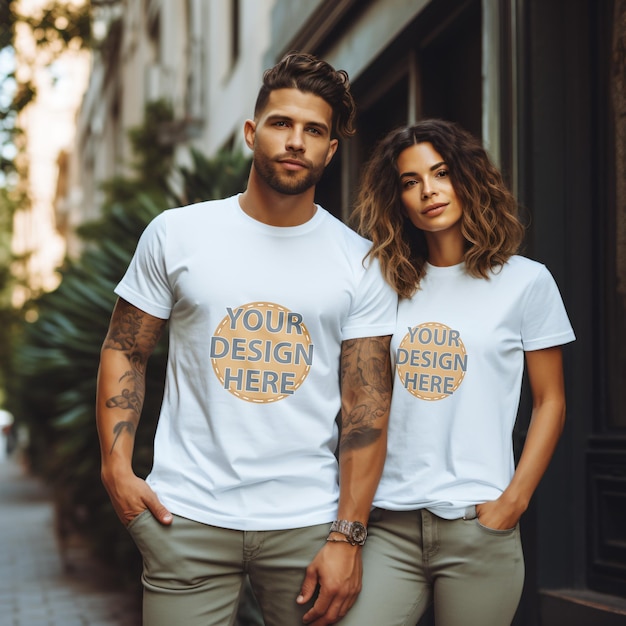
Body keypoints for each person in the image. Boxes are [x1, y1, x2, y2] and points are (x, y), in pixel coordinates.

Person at [95, 52, 397, 626]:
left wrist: (348, 537)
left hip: (308, 526)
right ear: (252, 132)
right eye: (282, 124)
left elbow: (367, 406)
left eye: (314, 131)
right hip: (184, 517)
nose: (295, 142)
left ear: (331, 150)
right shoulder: (177, 234)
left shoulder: (360, 262)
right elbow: (126, 347)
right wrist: (117, 468)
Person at [340, 119, 576, 626]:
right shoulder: (386, 284)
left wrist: (513, 500)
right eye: (410, 181)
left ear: (467, 178)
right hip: (391, 524)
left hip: (477, 524)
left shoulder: (527, 283)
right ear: (397, 198)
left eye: (441, 173)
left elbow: (551, 401)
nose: (428, 191)